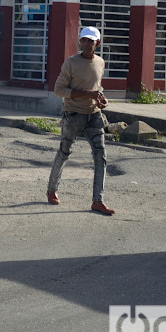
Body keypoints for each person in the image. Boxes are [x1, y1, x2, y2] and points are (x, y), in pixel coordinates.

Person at [47, 26, 115, 215]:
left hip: (94, 115)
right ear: (80, 42)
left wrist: (101, 99)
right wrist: (88, 94)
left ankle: (98, 200)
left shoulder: (100, 62)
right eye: (83, 40)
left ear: (97, 44)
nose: (86, 44)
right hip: (73, 114)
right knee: (65, 151)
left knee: (100, 156)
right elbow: (59, 90)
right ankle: (52, 189)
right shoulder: (70, 63)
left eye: (90, 41)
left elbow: (96, 88)